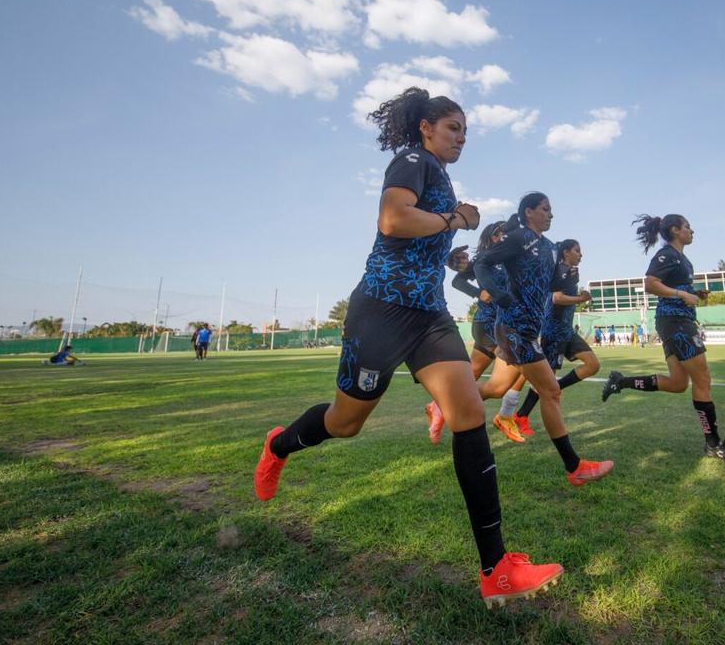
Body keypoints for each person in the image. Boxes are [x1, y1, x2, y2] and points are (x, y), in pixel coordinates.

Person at [253, 87, 562, 607]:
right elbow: (393, 220)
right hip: (380, 311)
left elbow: (419, 240)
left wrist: (453, 248)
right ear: (426, 128)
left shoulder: (439, 175)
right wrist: (455, 221)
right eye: (453, 128)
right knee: (344, 423)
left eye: (465, 131)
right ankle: (278, 445)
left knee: (468, 414)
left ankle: (497, 570)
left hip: (429, 316)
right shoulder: (412, 159)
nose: (461, 138)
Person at [473, 193, 613, 485]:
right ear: (528, 212)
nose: (551, 215)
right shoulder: (518, 237)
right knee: (551, 392)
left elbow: (550, 287)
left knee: (498, 388)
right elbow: (482, 264)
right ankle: (575, 468)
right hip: (512, 326)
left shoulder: (550, 247)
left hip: (527, 331)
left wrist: (572, 281)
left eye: (551, 210)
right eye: (545, 209)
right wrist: (499, 295)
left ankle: (443, 405)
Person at [601, 214, 725, 462]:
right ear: (675, 230)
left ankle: (621, 381)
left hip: (677, 321)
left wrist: (693, 292)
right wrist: (681, 293)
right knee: (702, 379)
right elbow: (650, 284)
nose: (692, 231)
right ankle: (713, 444)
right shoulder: (667, 254)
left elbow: (672, 288)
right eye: (688, 227)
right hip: (675, 323)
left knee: (679, 384)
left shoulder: (683, 259)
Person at [425, 221, 527, 445]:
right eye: (504, 233)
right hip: (488, 322)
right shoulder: (486, 258)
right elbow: (458, 279)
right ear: (493, 236)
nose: (509, 236)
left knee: (478, 373)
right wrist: (478, 292)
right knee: (517, 366)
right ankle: (506, 415)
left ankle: (440, 405)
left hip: (506, 322)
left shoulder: (508, 256)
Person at [513, 239, 599, 436]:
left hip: (566, 330)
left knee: (592, 365)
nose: (581, 254)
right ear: (566, 252)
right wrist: (581, 299)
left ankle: (552, 389)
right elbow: (556, 298)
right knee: (545, 379)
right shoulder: (561, 269)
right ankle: (521, 416)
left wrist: (578, 296)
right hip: (554, 330)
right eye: (577, 250)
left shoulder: (571, 272)